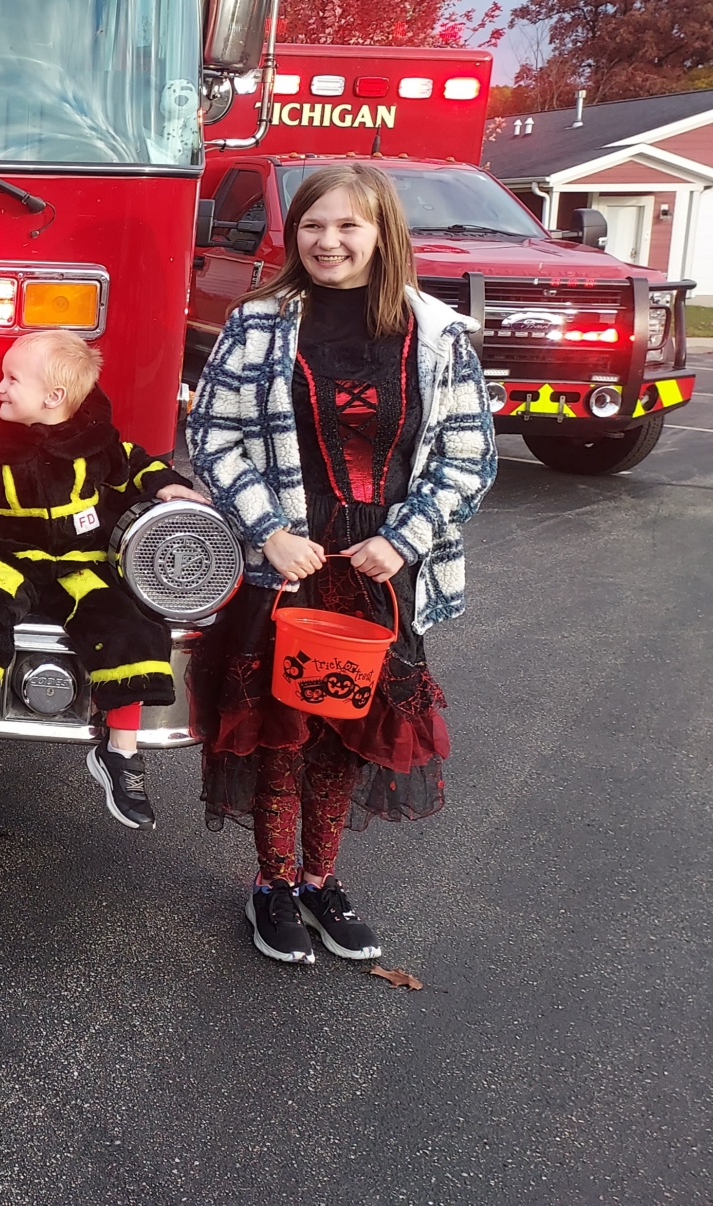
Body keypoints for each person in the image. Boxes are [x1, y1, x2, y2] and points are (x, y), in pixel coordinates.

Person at [187, 161, 496, 966]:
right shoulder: (257, 323)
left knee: (346, 734)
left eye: (347, 227)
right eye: (314, 226)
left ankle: (324, 881)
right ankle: (275, 886)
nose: (328, 242)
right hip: (286, 564)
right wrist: (266, 529)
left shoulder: (436, 334)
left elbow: (468, 458)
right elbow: (212, 438)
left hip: (380, 570)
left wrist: (406, 537)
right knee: (282, 733)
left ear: (381, 233)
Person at [0, 330, 209, 825]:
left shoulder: (96, 446)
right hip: (9, 562)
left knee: (131, 624)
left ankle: (121, 752)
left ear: (53, 398)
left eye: (11, 380)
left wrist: (167, 486)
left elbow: (136, 466)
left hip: (78, 565)